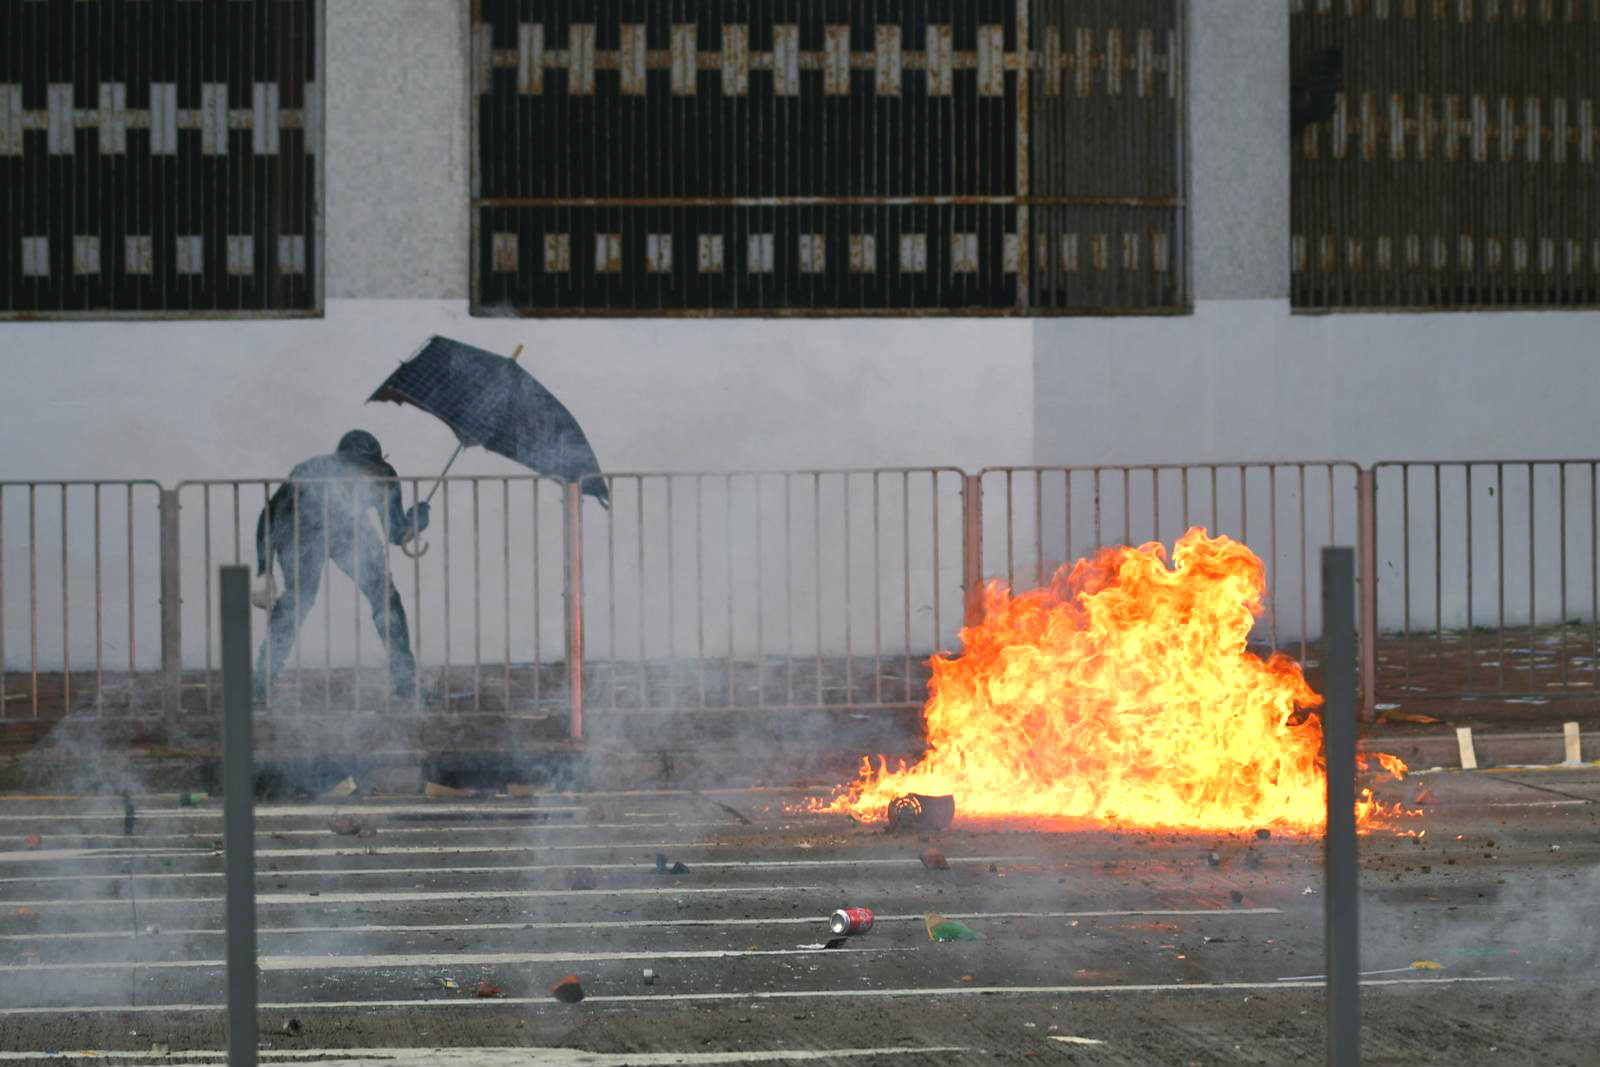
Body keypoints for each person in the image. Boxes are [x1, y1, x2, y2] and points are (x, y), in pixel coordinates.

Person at [252, 430, 430, 700]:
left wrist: (264, 569)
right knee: (384, 598)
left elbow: (271, 515)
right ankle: (405, 681)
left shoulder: (311, 468)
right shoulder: (382, 472)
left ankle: (262, 679)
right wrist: (418, 519)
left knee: (297, 601)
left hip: (310, 531)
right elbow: (397, 533)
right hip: (339, 530)